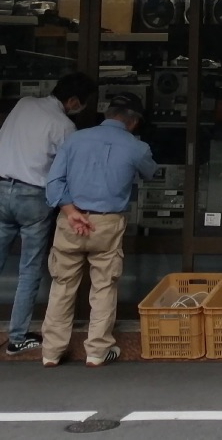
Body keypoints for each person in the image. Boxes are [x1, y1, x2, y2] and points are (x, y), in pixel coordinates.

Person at [41, 92, 157, 368]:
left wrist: (71, 212)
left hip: (71, 221)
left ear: (107, 115)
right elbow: (151, 173)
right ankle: (97, 351)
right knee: (104, 285)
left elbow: (54, 182)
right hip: (107, 222)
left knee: (62, 285)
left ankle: (51, 351)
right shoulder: (135, 147)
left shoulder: (74, 140)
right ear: (133, 122)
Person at [0, 72, 97, 356]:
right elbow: (68, 171)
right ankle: (17, 337)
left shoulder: (25, 103)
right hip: (33, 196)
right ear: (73, 101)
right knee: (29, 269)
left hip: (2, 187)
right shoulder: (65, 126)